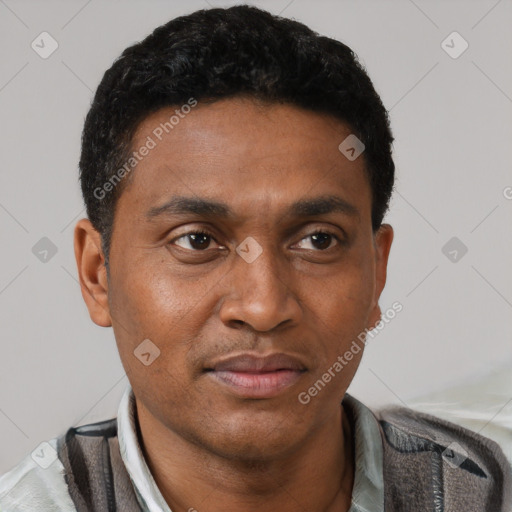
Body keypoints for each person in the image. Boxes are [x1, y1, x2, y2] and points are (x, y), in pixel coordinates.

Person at [1, 5, 510, 511]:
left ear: (377, 273)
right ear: (97, 274)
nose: (264, 306)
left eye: (318, 240)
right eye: (197, 240)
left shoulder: (486, 493)